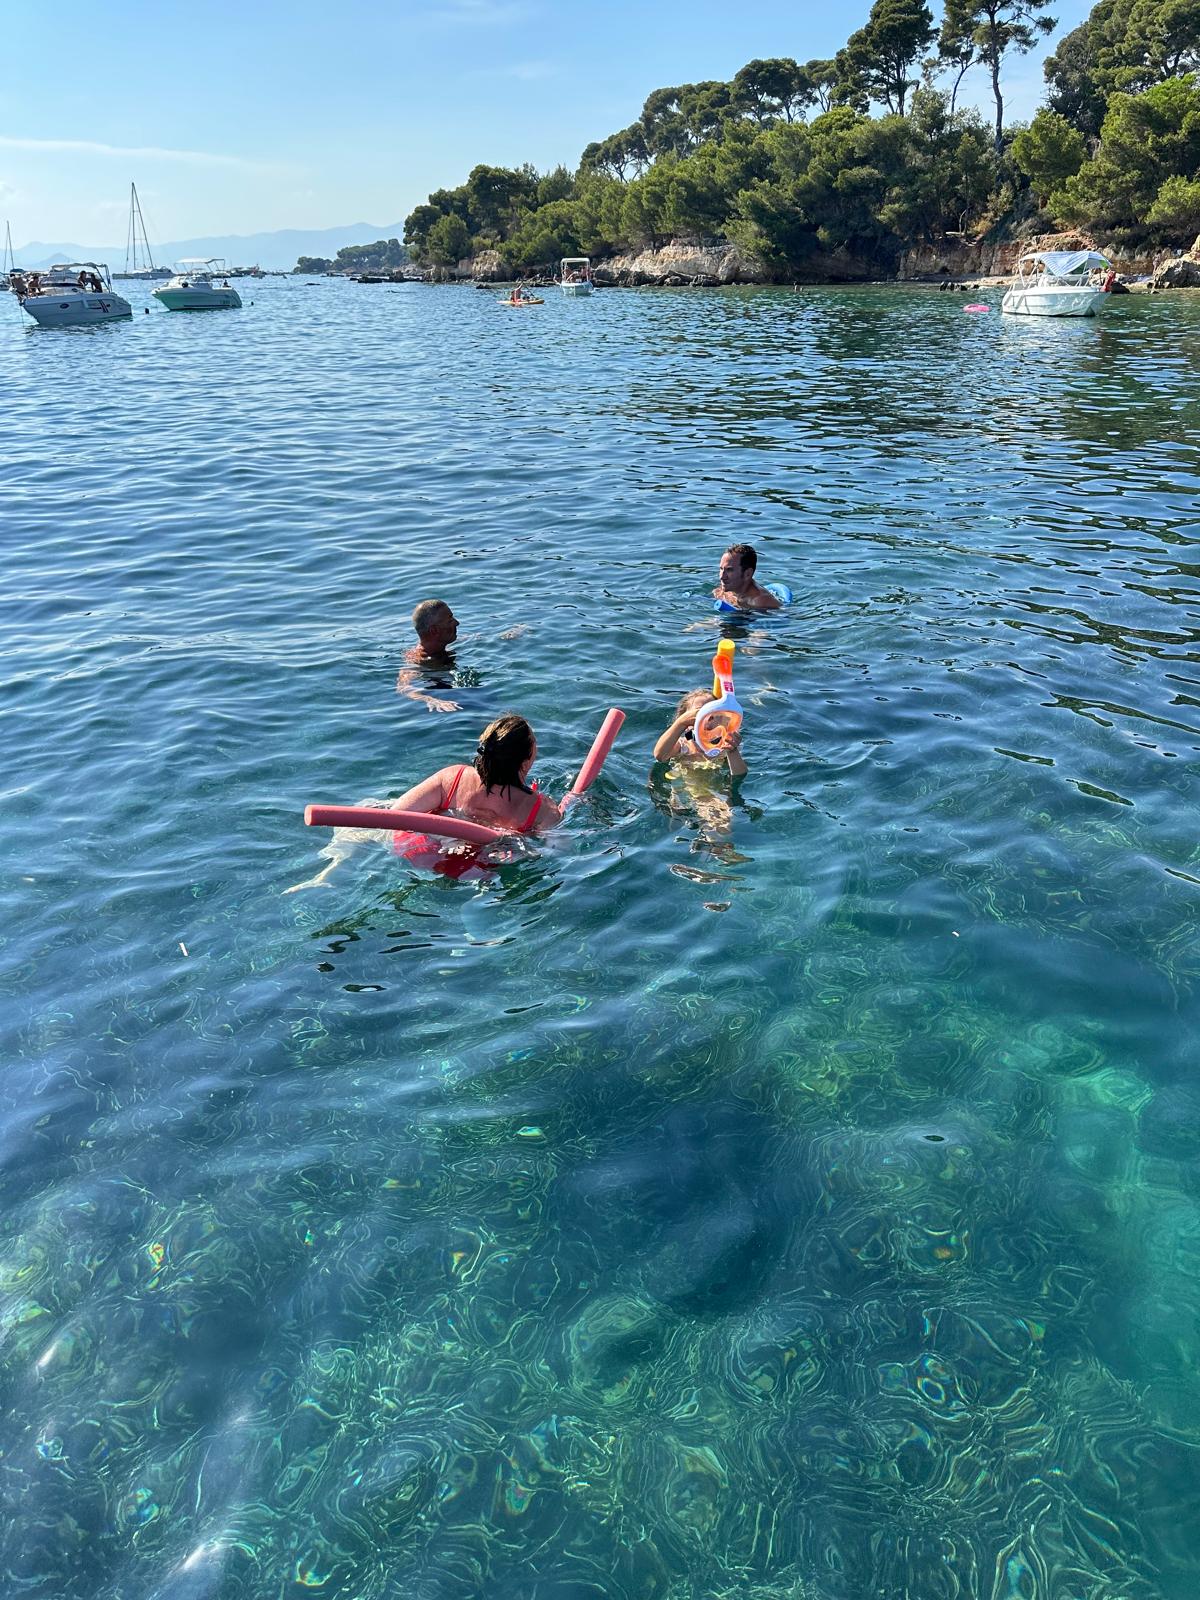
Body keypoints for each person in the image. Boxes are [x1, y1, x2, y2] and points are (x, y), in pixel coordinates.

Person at [284, 714, 561, 891]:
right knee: (490, 882)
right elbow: (557, 852)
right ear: (527, 758)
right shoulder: (543, 810)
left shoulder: (454, 777)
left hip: (420, 850)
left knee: (368, 806)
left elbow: (398, 815)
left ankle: (333, 870)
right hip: (478, 867)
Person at [653, 690, 747, 779]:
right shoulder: (683, 745)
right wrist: (680, 723)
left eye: (713, 713)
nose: (707, 718)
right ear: (686, 721)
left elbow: (739, 775)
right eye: (699, 713)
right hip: (685, 788)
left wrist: (732, 751)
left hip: (719, 787)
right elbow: (660, 756)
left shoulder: (725, 745)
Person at [397, 599, 462, 712]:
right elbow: (403, 688)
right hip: (443, 697)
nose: (457, 623)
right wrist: (432, 701)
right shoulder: (419, 660)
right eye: (450, 620)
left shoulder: (441, 646)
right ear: (434, 630)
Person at [713, 544, 782, 612]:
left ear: (747, 574)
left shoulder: (760, 602)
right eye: (721, 569)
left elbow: (782, 615)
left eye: (729, 570)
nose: (722, 577)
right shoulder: (729, 587)